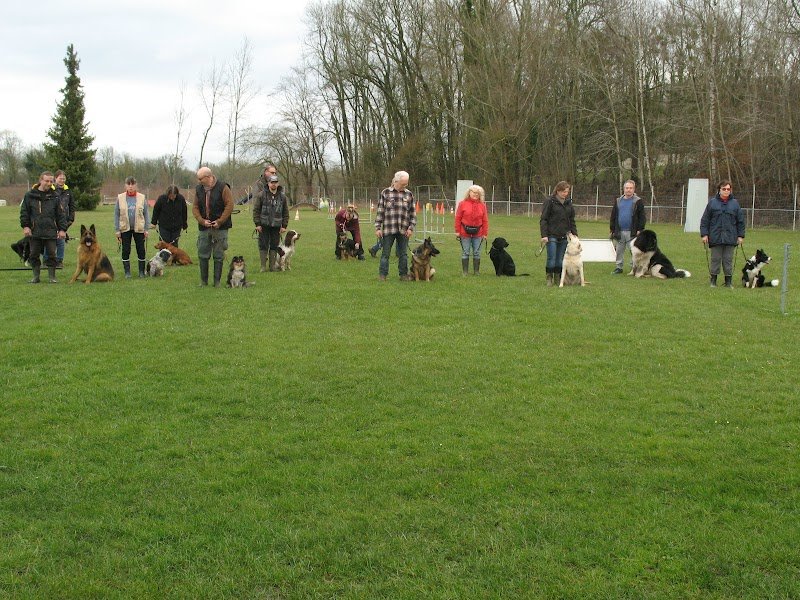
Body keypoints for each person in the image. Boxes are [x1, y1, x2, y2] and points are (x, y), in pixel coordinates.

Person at [20, 171, 67, 283]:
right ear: (40, 180)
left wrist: (62, 229)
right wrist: (26, 226)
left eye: (51, 181)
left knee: (51, 255)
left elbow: (60, 214)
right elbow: (24, 212)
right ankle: (36, 277)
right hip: (35, 231)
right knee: (34, 255)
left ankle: (52, 277)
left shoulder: (55, 196)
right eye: (47, 181)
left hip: (50, 230)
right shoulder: (30, 195)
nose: (49, 183)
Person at [700, 179, 745, 288]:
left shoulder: (735, 204)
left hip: (730, 237)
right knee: (715, 259)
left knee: (728, 260)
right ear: (719, 190)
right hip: (715, 237)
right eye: (724, 189)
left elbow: (740, 221)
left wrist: (740, 236)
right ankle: (713, 281)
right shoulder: (712, 203)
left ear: (731, 190)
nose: (726, 191)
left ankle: (728, 282)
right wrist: (704, 234)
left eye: (728, 189)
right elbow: (705, 220)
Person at [193, 166, 234, 286]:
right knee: (203, 254)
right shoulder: (198, 189)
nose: (199, 181)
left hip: (220, 228)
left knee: (219, 255)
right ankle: (203, 281)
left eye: (200, 179)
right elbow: (195, 207)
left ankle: (217, 282)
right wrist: (201, 220)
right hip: (204, 227)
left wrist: (220, 221)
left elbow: (229, 205)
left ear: (208, 177)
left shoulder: (223, 187)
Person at [374, 170, 416, 281]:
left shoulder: (409, 194)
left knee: (403, 254)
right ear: (396, 181)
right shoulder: (385, 193)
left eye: (406, 184)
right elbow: (380, 211)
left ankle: (403, 275)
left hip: (404, 229)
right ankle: (383, 275)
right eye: (403, 184)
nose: (405, 186)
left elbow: (413, 214)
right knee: (385, 254)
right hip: (389, 228)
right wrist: (378, 227)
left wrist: (411, 228)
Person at [540, 181, 577, 287]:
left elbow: (572, 219)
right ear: (558, 191)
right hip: (551, 235)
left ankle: (558, 276)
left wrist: (574, 234)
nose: (566, 194)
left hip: (564, 235)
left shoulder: (568, 203)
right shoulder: (550, 202)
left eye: (567, 192)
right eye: (564, 192)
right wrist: (544, 235)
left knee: (560, 259)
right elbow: (544, 219)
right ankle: (549, 277)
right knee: (551, 258)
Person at [252, 174, 289, 272]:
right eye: (272, 182)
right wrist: (257, 224)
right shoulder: (261, 195)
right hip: (263, 225)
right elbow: (256, 211)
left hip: (276, 226)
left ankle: (272, 266)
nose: (273, 184)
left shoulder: (283, 197)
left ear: (278, 183)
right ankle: (263, 267)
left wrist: (284, 226)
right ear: (268, 183)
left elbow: (286, 212)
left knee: (274, 245)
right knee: (263, 245)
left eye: (275, 182)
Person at [114, 176, 150, 278]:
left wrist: (146, 229)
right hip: (125, 228)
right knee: (126, 250)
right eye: (128, 184)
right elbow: (116, 214)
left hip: (139, 229)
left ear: (136, 185)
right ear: (125, 185)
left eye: (132, 184)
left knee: (141, 250)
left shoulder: (142, 198)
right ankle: (127, 273)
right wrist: (117, 230)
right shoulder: (120, 198)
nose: (130, 186)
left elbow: (146, 213)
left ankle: (141, 272)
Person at [609, 179, 646, 274]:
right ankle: (618, 267)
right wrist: (612, 229)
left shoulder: (638, 201)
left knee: (633, 251)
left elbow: (642, 216)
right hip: (619, 231)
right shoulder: (618, 201)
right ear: (623, 189)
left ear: (634, 189)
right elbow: (613, 216)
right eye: (627, 188)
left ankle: (633, 268)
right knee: (619, 251)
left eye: (630, 188)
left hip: (632, 231)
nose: (628, 190)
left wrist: (640, 229)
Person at [454, 184, 489, 275]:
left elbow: (485, 220)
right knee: (465, 252)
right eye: (474, 192)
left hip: (478, 233)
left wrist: (485, 233)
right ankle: (465, 272)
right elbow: (458, 218)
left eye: (478, 193)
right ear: (469, 192)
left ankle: (476, 271)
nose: (475, 194)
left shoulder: (482, 205)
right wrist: (457, 231)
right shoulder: (462, 204)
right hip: (464, 232)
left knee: (477, 253)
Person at [43, 170, 75, 269]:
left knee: (61, 240)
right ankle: (46, 260)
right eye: (60, 178)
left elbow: (72, 206)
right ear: (55, 179)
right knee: (48, 240)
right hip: (51, 220)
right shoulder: (50, 190)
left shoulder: (68, 191)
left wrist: (70, 219)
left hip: (63, 220)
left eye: (64, 178)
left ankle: (59, 261)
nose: (62, 180)